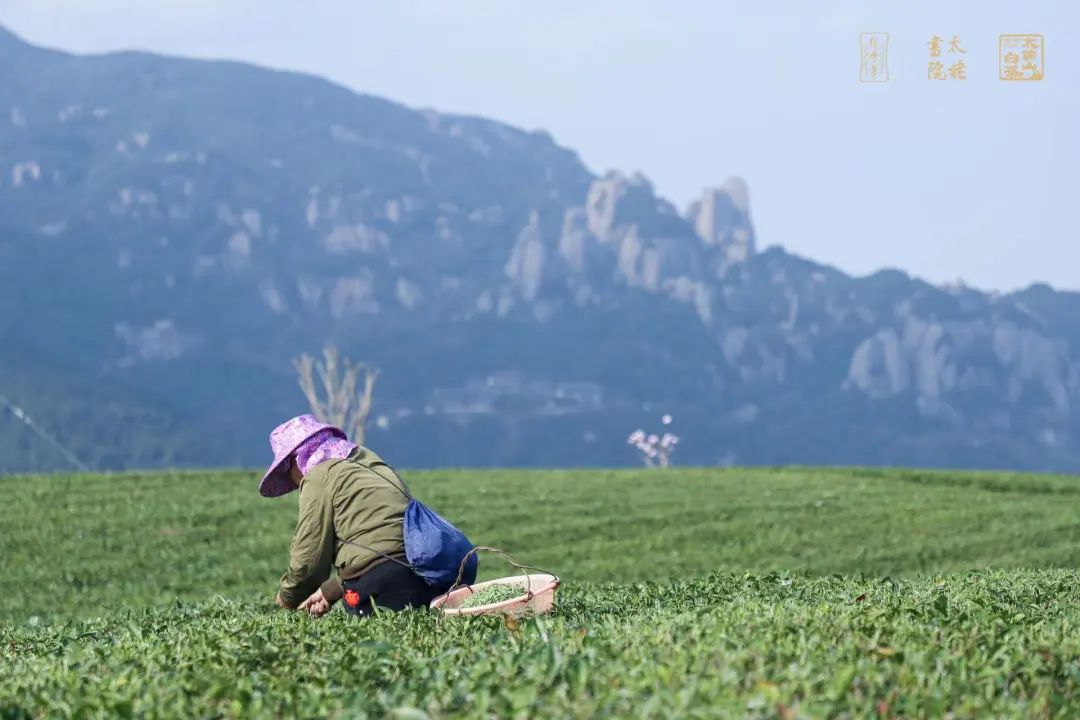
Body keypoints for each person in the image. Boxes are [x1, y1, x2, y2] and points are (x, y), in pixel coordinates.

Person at [260, 413, 443, 618]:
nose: (293, 483)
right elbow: (381, 538)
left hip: (379, 582)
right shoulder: (365, 460)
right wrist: (332, 590)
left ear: (294, 460)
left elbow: (309, 560)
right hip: (424, 571)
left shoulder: (318, 476)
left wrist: (286, 599)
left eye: (287, 473)